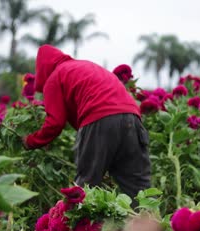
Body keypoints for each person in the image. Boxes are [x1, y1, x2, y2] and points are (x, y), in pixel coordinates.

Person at [22, 44, 151, 200]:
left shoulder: (55, 77)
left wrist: (31, 140)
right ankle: (153, 222)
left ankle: (81, 224)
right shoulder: (84, 66)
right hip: (133, 117)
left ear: (42, 68)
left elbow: (55, 123)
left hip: (100, 118)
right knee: (138, 189)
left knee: (85, 189)